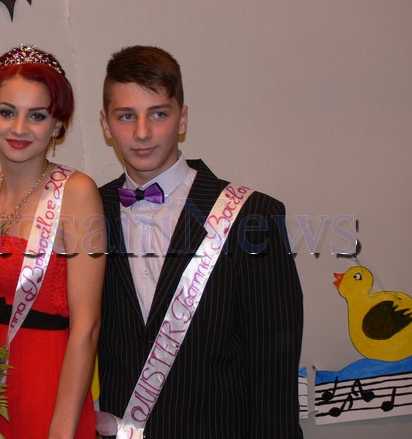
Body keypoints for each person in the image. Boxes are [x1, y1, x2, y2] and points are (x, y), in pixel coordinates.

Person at [96, 45, 303, 438]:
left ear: (183, 119)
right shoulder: (87, 212)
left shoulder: (252, 215)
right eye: (126, 116)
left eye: (159, 113)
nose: (142, 132)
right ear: (106, 124)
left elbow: (273, 366)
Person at [0, 45, 106, 439]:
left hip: (49, 379)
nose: (19, 128)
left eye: (37, 116)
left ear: (58, 125)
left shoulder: (77, 193)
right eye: (7, 112)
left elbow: (88, 326)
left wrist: (61, 429)